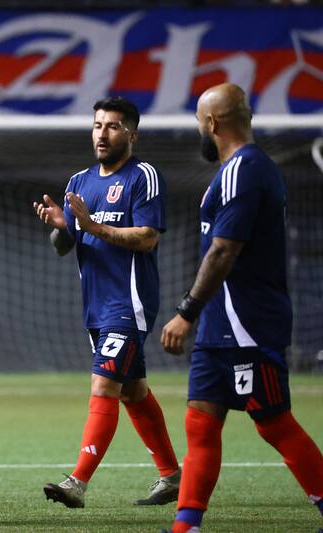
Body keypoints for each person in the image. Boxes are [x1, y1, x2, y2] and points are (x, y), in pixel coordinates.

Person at [160, 83, 323, 533]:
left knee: (273, 422)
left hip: (246, 322)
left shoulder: (245, 169)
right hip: (222, 324)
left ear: (212, 123)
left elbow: (223, 250)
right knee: (201, 421)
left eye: (199, 121)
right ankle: (186, 525)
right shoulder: (238, 170)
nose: (200, 129)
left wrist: (186, 311)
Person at [33, 96, 180, 509]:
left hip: (128, 302)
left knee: (104, 385)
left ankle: (76, 482)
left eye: (113, 126)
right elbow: (65, 246)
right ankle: (171, 476)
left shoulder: (143, 176)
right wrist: (62, 227)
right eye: (98, 124)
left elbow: (148, 236)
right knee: (133, 391)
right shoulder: (79, 182)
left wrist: (92, 225)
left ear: (131, 133)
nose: (102, 132)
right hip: (95, 305)